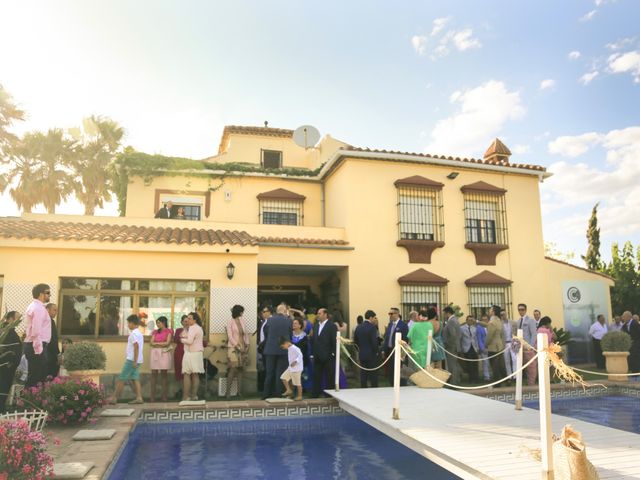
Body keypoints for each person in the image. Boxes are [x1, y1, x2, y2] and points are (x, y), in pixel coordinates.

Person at [107, 315, 144, 405]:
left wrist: (134, 361)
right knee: (135, 378)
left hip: (132, 360)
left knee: (122, 378)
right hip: (138, 359)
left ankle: (114, 398)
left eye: (128, 323)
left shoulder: (134, 334)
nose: (128, 325)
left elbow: (136, 346)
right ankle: (139, 398)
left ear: (132, 323)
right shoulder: (139, 333)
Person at [23, 283, 52, 387]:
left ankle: (27, 400)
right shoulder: (38, 308)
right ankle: (27, 401)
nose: (50, 295)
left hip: (34, 345)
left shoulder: (34, 306)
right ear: (41, 294)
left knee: (35, 376)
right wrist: (39, 349)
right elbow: (36, 331)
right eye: (48, 293)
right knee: (36, 377)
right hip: (36, 346)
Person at [262, 304, 292, 399]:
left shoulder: (269, 320)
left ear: (276, 311)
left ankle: (266, 394)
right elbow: (290, 334)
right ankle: (278, 393)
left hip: (270, 349)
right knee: (280, 373)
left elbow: (266, 332)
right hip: (283, 350)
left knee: (269, 373)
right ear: (285, 311)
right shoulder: (288, 321)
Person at [311, 307, 337, 397]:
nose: (318, 315)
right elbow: (314, 339)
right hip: (317, 355)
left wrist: (333, 353)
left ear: (325, 314)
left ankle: (329, 395)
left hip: (328, 356)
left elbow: (334, 341)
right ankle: (315, 394)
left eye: (320, 313)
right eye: (317, 313)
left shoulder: (332, 326)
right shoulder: (316, 325)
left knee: (329, 376)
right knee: (316, 376)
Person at [0, 311, 22, 412]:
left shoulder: (9, 331)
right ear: (10, 319)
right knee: (3, 387)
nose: (19, 321)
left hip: (8, 366)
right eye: (17, 318)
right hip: (5, 367)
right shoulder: (6, 331)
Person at [226, 305, 249, 398]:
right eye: (242, 311)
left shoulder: (242, 321)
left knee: (240, 370)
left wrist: (247, 345)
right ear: (239, 312)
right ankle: (228, 392)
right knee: (233, 369)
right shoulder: (230, 322)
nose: (242, 313)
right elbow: (230, 336)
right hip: (233, 347)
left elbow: (245, 334)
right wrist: (236, 345)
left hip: (243, 347)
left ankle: (239, 392)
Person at [180, 312, 205, 401]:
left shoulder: (193, 328)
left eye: (190, 318)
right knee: (195, 374)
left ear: (195, 320)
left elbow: (189, 341)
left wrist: (182, 340)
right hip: (197, 353)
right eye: (187, 318)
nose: (188, 320)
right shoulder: (198, 328)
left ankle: (186, 396)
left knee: (187, 374)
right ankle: (194, 396)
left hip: (191, 353)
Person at [149, 316, 173, 402]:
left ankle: (164, 396)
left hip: (164, 353)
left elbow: (167, 343)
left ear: (163, 322)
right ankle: (152, 396)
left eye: (158, 322)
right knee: (153, 374)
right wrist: (160, 344)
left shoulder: (169, 331)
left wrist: (157, 344)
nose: (157, 324)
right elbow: (151, 342)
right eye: (157, 323)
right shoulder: (155, 332)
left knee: (164, 374)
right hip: (155, 353)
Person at [383, 307, 409, 386]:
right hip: (390, 351)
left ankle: (401, 385)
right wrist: (384, 350)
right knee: (391, 370)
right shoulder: (390, 324)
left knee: (399, 369)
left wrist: (402, 353)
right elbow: (387, 338)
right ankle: (392, 385)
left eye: (391, 314)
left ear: (397, 314)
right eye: (389, 314)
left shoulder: (403, 325)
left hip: (398, 351)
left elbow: (405, 339)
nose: (390, 315)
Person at [353, 310, 379, 388]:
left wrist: (360, 349)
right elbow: (374, 342)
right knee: (373, 374)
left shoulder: (358, 327)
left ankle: (363, 389)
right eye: (374, 318)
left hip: (362, 354)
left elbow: (355, 341)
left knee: (363, 374)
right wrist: (377, 351)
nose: (375, 319)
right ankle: (374, 389)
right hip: (371, 355)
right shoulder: (372, 328)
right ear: (370, 318)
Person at [517, 303, 538, 385]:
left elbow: (534, 334)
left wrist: (531, 346)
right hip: (520, 348)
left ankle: (531, 383)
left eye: (522, 309)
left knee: (531, 367)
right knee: (522, 366)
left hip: (528, 347)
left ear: (525, 310)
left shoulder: (530, 320)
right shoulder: (518, 321)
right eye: (519, 309)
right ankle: (523, 383)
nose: (520, 311)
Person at [486, 305, 506, 387]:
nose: (489, 311)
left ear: (493, 312)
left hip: (493, 347)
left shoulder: (492, 322)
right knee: (500, 365)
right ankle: (504, 380)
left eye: (490, 310)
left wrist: (485, 344)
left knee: (494, 366)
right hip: (500, 346)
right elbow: (502, 334)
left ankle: (497, 383)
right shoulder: (499, 321)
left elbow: (489, 336)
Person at [442, 306, 461, 384]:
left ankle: (454, 382)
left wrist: (447, 344)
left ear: (448, 313)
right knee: (454, 365)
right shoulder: (455, 320)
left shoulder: (451, 321)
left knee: (452, 365)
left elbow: (452, 335)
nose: (444, 315)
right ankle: (456, 380)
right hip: (455, 346)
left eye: (444, 313)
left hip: (451, 347)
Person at [291, 317, 312, 392]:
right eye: (293, 323)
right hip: (291, 359)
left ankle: (301, 390)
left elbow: (306, 349)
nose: (293, 324)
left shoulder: (304, 336)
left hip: (302, 359)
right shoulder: (290, 335)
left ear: (300, 325)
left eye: (295, 323)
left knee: (301, 376)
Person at [460, 316, 479, 383]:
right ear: (466, 320)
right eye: (469, 320)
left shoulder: (474, 328)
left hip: (473, 347)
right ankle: (471, 379)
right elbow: (460, 338)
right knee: (469, 364)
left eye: (472, 320)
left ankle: (476, 378)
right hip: (466, 348)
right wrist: (461, 348)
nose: (470, 321)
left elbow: (475, 339)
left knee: (475, 363)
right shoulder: (462, 328)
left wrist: (477, 348)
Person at [257, 306, 271, 392]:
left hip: (267, 347)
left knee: (268, 369)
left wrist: (262, 344)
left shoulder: (270, 322)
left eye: (265, 311)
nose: (263, 313)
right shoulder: (263, 322)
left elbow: (269, 336)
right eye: (263, 311)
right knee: (264, 367)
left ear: (270, 312)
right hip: (262, 347)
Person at [173, 315, 188, 398]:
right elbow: (175, 340)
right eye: (184, 321)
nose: (186, 323)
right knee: (180, 372)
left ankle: (189, 392)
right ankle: (183, 392)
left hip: (189, 353)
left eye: (187, 321)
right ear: (181, 322)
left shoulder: (192, 330)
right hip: (179, 352)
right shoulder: (178, 330)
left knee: (189, 372)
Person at [46, 303, 60, 378]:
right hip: (49, 354)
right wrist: (57, 354)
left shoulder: (50, 321)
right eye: (54, 310)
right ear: (47, 310)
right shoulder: (48, 321)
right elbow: (52, 340)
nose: (56, 313)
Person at [501, 312, 517, 383]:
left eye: (504, 314)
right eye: (501, 315)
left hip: (512, 342)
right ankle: (509, 376)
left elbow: (516, 332)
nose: (503, 316)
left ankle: (515, 376)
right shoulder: (500, 324)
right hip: (504, 344)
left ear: (506, 314)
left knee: (514, 359)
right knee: (506, 360)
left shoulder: (513, 322)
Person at [476, 315, 490, 381]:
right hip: (484, 348)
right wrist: (482, 348)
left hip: (492, 347)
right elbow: (479, 339)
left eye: (486, 319)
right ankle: (486, 377)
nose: (485, 321)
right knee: (485, 362)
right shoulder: (479, 327)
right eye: (483, 320)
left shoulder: (490, 326)